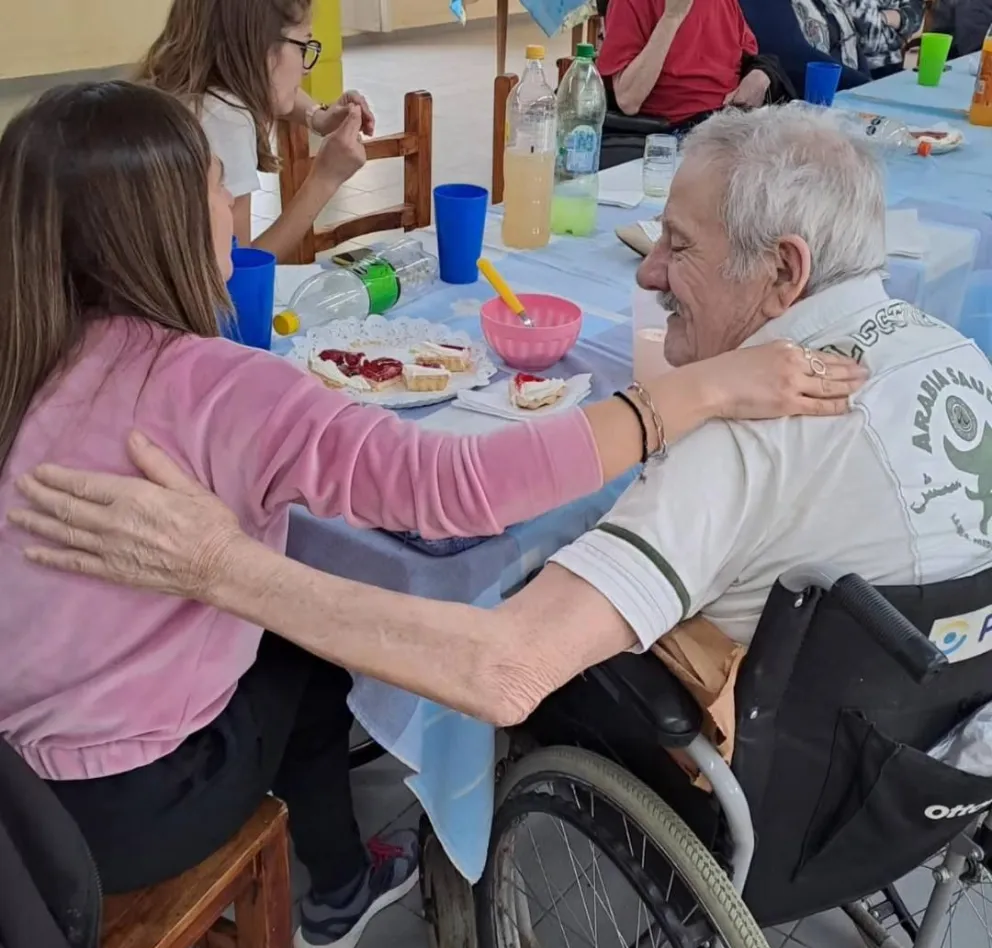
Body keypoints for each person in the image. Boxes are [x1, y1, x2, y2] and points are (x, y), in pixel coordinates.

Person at [0, 83, 859, 948]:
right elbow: (458, 487)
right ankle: (341, 886)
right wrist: (695, 393)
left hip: (20, 794)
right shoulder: (220, 389)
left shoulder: (24, 360)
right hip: (131, 812)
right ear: (163, 226)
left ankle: (337, 873)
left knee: (278, 622)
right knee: (311, 652)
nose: (235, 207)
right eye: (221, 186)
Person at [17, 103, 992, 744]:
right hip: (924, 752)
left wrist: (217, 565)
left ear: (782, 270)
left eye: (676, 245)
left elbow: (505, 666)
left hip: (787, 759)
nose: (648, 273)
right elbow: (449, 490)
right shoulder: (958, 353)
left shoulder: (746, 441)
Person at [138, 0, 372, 262]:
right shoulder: (226, 118)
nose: (307, 68)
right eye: (303, 47)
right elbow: (238, 269)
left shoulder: (179, 90)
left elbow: (271, 84)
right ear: (261, 48)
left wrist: (317, 117)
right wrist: (325, 179)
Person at [597, 0, 773, 124]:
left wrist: (761, 74)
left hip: (731, 123)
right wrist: (672, 17)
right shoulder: (628, 3)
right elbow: (628, 100)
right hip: (670, 132)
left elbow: (751, 57)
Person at [743, 0, 870, 94]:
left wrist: (869, 84)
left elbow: (850, 38)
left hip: (854, 95)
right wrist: (865, 86)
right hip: (810, 105)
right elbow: (792, 54)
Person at [840, 0, 923, 77]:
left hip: (891, 64)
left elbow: (915, 18)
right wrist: (899, 35)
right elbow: (870, 40)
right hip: (852, 68)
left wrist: (884, 17)